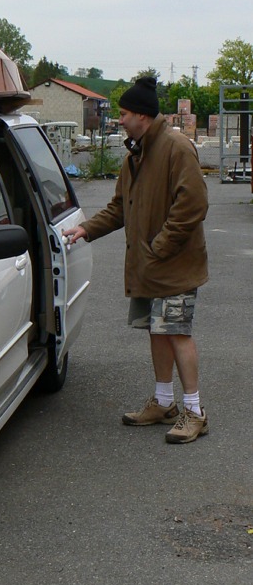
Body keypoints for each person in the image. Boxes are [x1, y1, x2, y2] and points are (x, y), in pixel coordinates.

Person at [64, 77, 209, 444]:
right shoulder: (136, 154)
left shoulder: (176, 147)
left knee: (176, 332)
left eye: (124, 113)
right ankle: (164, 403)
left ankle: (195, 411)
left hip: (173, 264)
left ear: (143, 116)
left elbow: (193, 205)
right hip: (149, 264)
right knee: (157, 331)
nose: (119, 119)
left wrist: (159, 247)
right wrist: (87, 230)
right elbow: (119, 207)